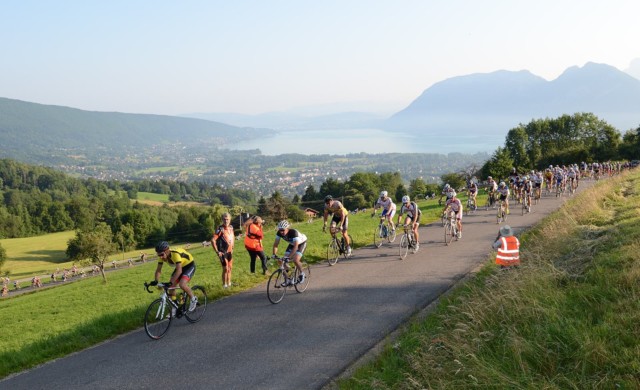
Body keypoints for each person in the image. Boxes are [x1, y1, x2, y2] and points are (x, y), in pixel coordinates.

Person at [152, 241, 198, 312]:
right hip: (180, 266)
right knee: (171, 287)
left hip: (189, 265)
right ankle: (175, 306)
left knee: (182, 284)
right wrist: (156, 281)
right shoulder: (161, 257)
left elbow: (179, 271)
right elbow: (158, 270)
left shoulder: (175, 254)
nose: (160, 257)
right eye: (158, 255)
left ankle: (193, 299)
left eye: (161, 254)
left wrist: (170, 282)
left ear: (167, 251)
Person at [272, 220, 308, 286]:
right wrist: (274, 254)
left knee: (295, 260)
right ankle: (287, 279)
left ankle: (302, 273)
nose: (281, 232)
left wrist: (288, 257)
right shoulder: (279, 233)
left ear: (287, 228)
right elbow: (276, 245)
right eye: (280, 230)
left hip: (301, 243)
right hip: (292, 244)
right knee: (281, 261)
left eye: (283, 230)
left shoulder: (293, 232)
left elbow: (296, 247)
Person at [212, 212, 235, 288]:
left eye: (227, 219)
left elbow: (233, 237)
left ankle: (229, 284)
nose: (226, 221)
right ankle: (224, 285)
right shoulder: (220, 229)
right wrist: (217, 251)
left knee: (230, 268)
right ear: (222, 219)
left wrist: (233, 247)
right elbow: (213, 240)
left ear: (230, 219)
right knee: (225, 268)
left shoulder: (231, 227)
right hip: (222, 252)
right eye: (224, 219)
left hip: (230, 251)